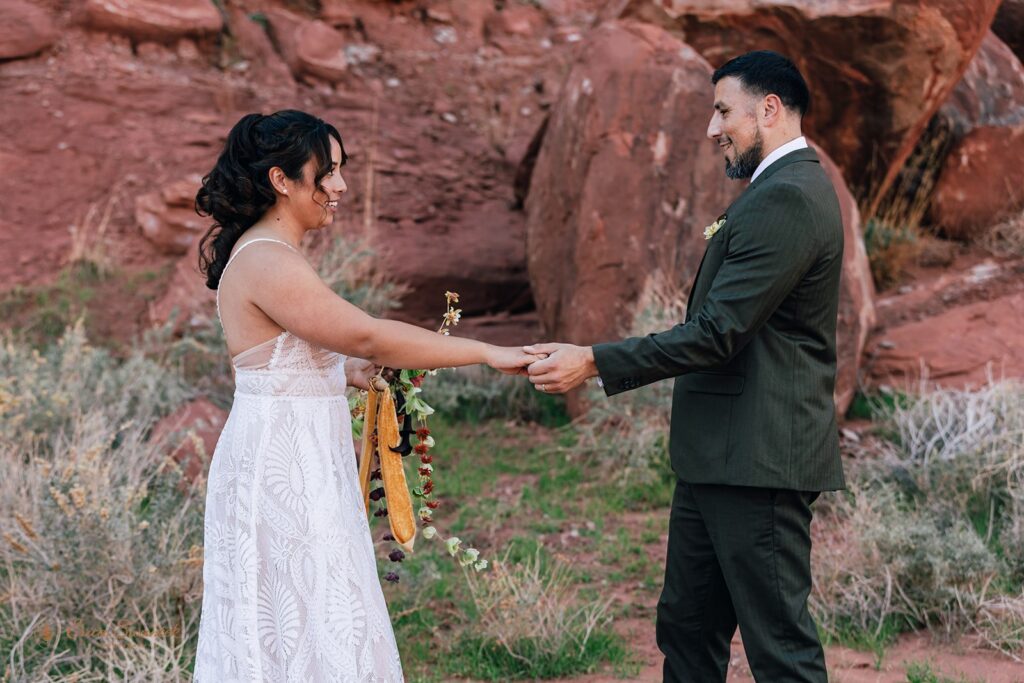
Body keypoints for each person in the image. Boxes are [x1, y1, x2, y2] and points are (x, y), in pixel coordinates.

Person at [524, 51, 845, 682]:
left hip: (759, 462)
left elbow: (717, 333)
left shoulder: (789, 197)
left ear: (770, 109)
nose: (712, 127)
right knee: (688, 633)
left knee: (780, 652)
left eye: (724, 109)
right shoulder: (771, 193)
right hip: (717, 460)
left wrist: (592, 361)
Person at [190, 109, 537, 682]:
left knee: (317, 611)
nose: (341, 186)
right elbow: (367, 332)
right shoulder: (267, 259)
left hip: (300, 457)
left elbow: (290, 358)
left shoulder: (271, 255)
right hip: (283, 466)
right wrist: (486, 352)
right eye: (327, 172)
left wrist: (343, 371)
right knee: (296, 612)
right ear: (282, 180)